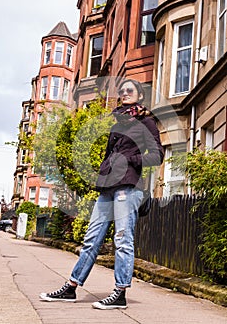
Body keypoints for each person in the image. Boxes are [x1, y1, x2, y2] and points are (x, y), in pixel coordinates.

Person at [40, 79, 164, 309]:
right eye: (122, 91)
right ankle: (71, 287)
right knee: (91, 239)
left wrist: (130, 160)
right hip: (107, 186)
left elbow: (157, 155)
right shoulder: (116, 121)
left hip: (128, 186)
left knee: (122, 240)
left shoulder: (146, 121)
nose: (125, 93)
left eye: (130, 90)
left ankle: (120, 293)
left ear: (139, 95)